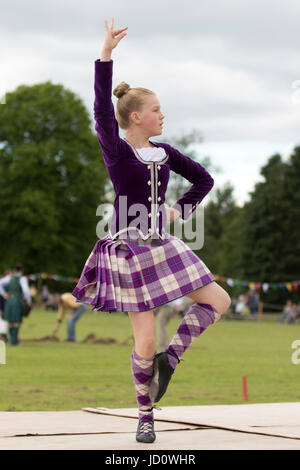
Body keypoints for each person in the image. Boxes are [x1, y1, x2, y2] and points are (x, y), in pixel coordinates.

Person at [72, 18, 231, 444]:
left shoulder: (166, 153)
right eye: (158, 109)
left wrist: (181, 210)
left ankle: (171, 359)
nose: (164, 115)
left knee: (218, 299)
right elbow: (103, 111)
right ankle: (146, 415)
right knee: (143, 339)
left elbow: (204, 179)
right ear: (138, 116)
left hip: (165, 243)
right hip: (130, 249)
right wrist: (105, 56)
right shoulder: (117, 151)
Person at [0, 264, 32, 345]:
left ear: (14, 270)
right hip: (17, 301)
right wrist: (28, 300)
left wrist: (3, 293)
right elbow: (25, 290)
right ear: (21, 271)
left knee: (10, 320)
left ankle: (11, 339)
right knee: (17, 321)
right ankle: (14, 340)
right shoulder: (22, 278)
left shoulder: (9, 278)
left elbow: (0, 283)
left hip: (9, 301)